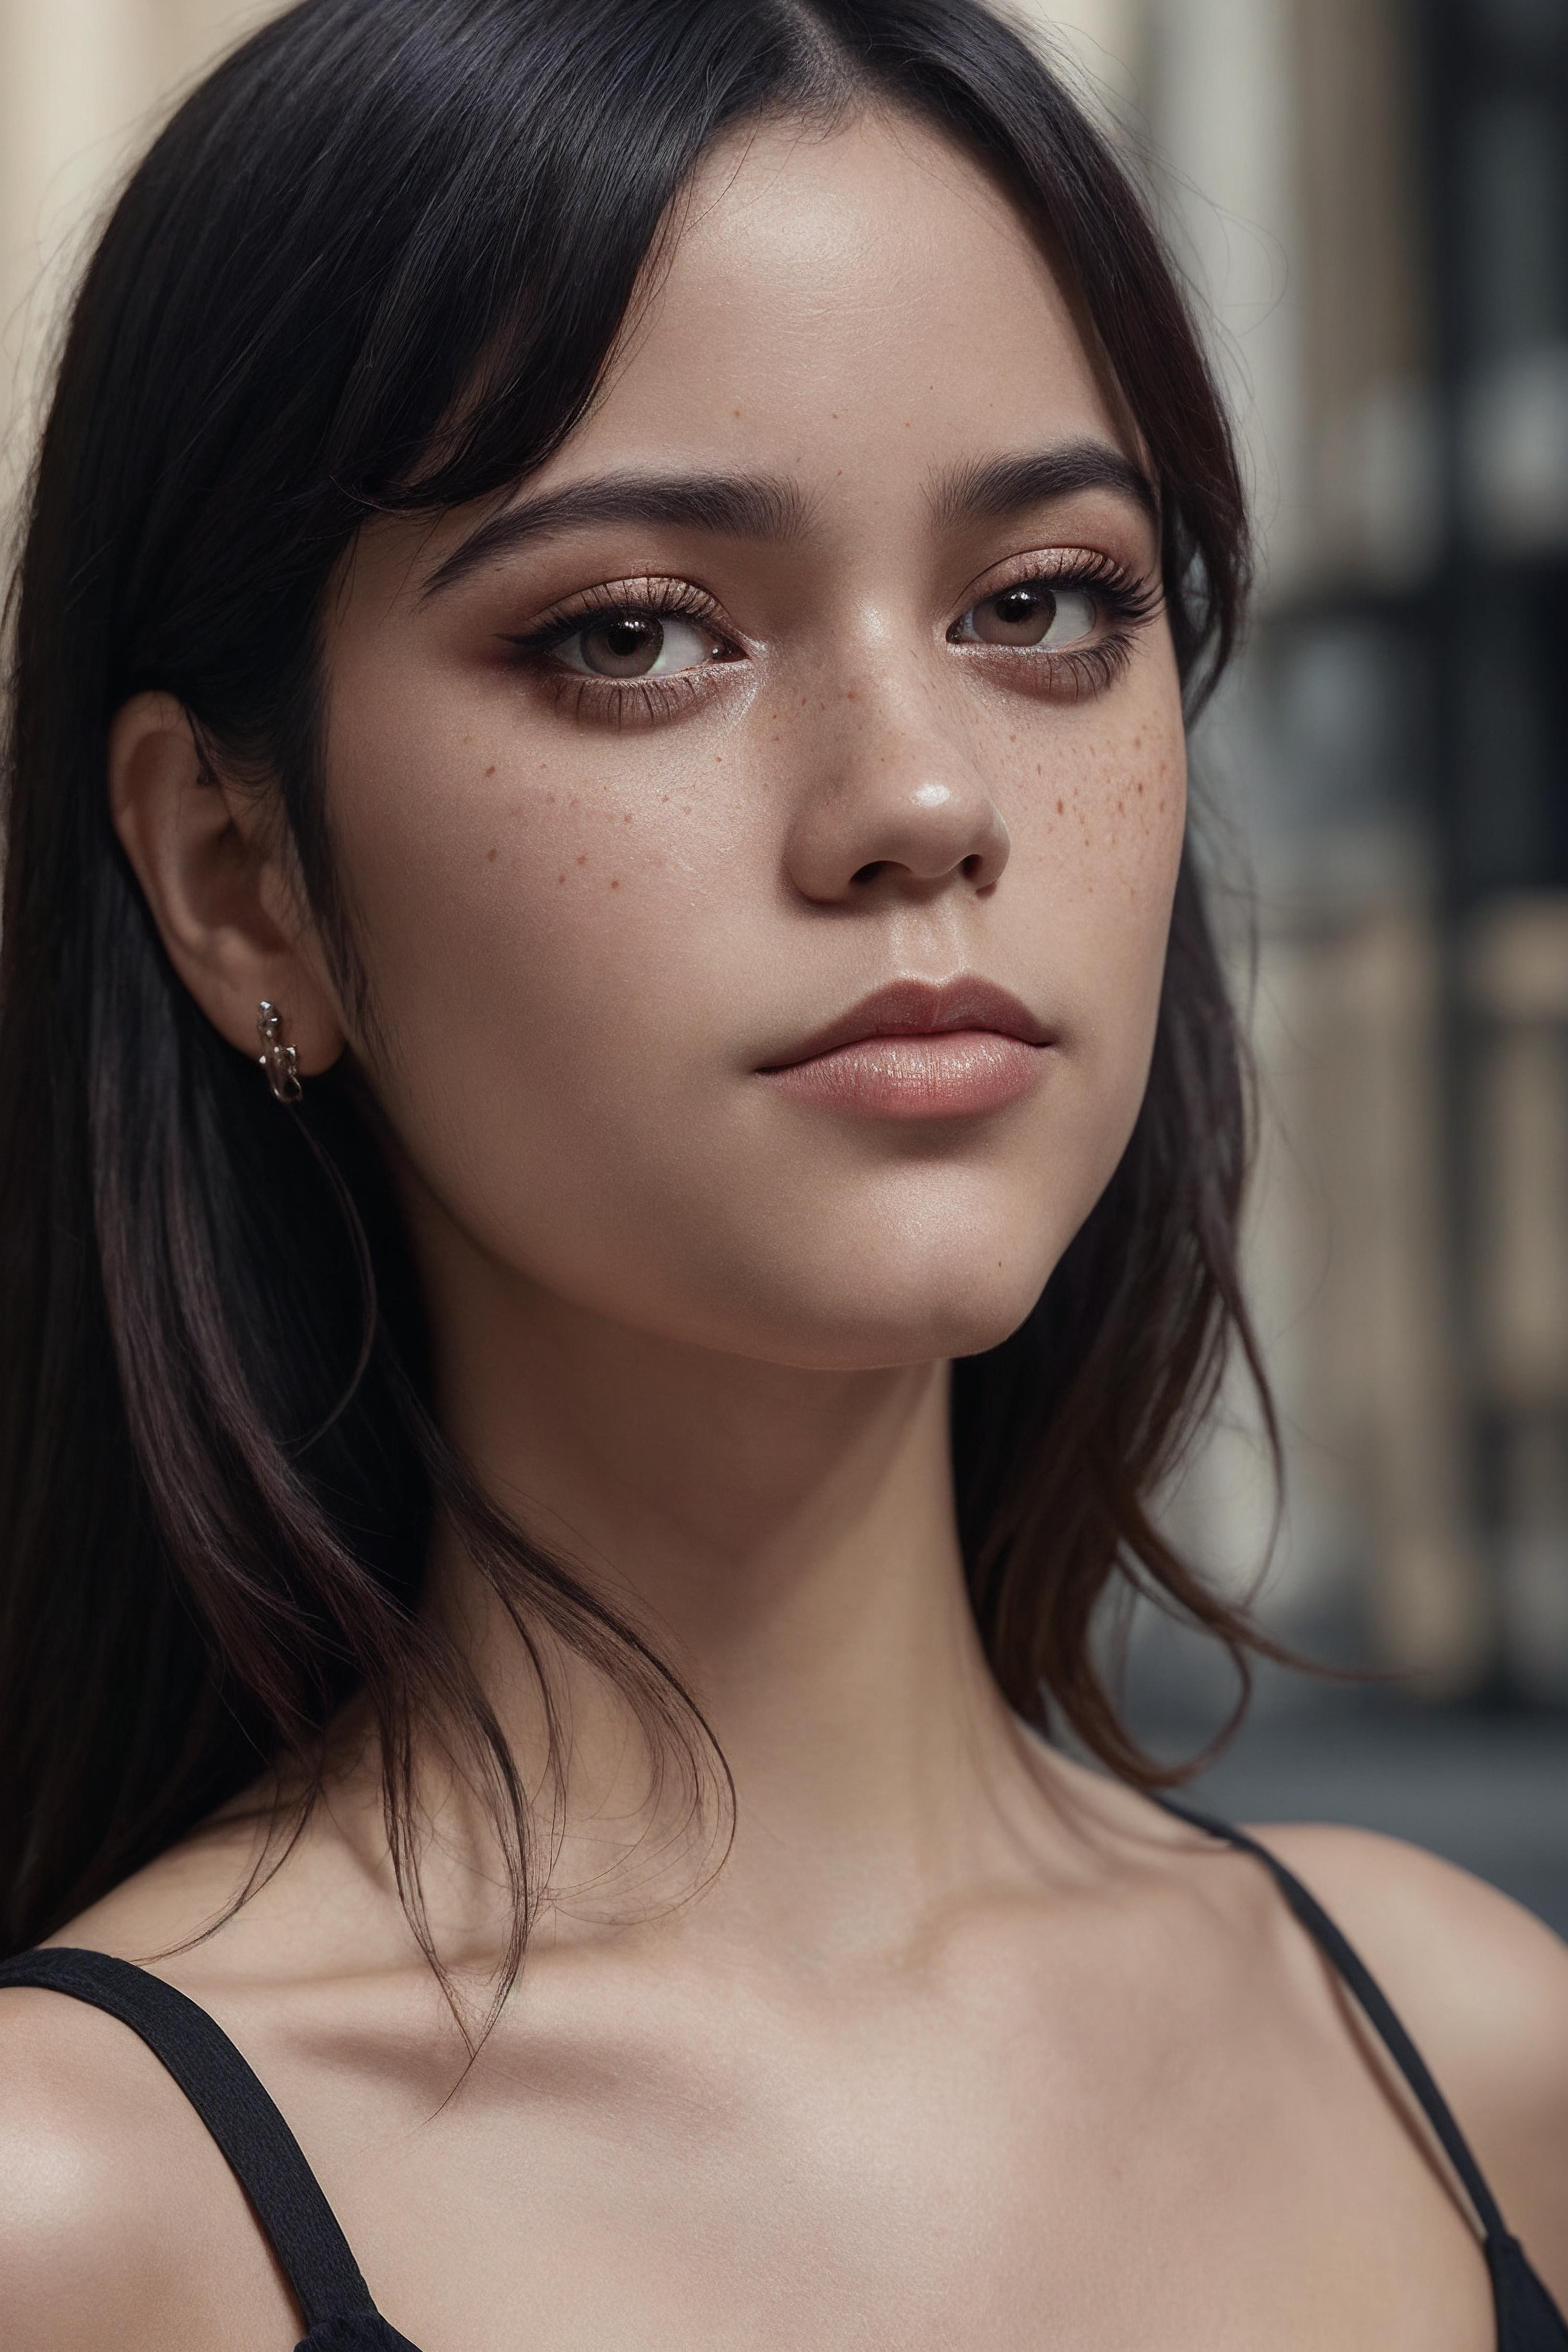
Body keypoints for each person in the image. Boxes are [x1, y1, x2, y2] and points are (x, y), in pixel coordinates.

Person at [0, 0, 1564, 2343]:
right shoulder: (84, 2215)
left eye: (1044, 601)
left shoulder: (1475, 2056)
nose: (924, 798)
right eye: (637, 634)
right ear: (237, 871)